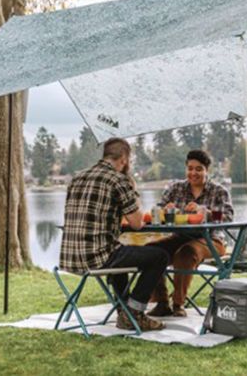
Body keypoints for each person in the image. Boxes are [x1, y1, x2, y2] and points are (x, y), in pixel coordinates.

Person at [59, 138, 169, 331]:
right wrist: (133, 190)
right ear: (124, 159)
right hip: (97, 258)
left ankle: (122, 310)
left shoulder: (77, 177)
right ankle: (134, 313)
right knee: (160, 256)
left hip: (70, 259)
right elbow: (137, 224)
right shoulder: (118, 180)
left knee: (121, 253)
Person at [147, 149, 234, 317]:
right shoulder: (176, 188)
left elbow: (228, 217)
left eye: (199, 169)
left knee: (186, 253)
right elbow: (157, 210)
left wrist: (205, 212)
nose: (193, 173)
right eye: (190, 168)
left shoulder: (219, 191)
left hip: (212, 241)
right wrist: (164, 210)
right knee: (151, 251)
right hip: (179, 238)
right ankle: (161, 302)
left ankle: (178, 304)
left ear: (207, 170)